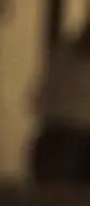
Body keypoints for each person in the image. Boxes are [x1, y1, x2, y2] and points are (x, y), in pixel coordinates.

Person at [31, 34, 90, 184]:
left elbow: (37, 101)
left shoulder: (63, 51)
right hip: (73, 141)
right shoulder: (64, 53)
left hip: (53, 138)